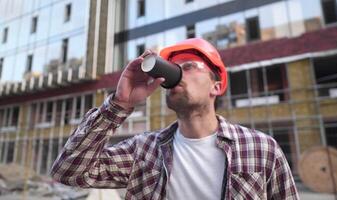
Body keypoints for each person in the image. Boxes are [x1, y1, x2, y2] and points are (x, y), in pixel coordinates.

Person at [50, 38, 299, 199]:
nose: (175, 77)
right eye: (172, 69)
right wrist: (119, 103)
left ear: (216, 86)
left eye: (188, 67)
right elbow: (68, 172)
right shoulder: (143, 151)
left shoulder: (261, 149)